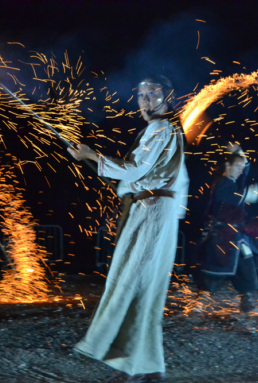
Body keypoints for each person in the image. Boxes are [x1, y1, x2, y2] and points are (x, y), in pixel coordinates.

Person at [68, 75, 189, 383]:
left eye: (153, 94)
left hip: (153, 213)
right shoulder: (166, 131)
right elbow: (141, 179)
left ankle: (121, 360)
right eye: (141, 94)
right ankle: (148, 366)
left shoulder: (162, 128)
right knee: (144, 289)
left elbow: (135, 169)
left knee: (132, 283)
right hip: (152, 212)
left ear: (168, 98)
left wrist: (91, 155)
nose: (145, 99)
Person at [196, 144, 258, 312]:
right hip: (223, 236)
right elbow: (239, 197)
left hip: (236, 236)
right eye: (236, 166)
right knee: (214, 270)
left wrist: (239, 152)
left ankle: (246, 301)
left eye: (240, 166)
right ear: (227, 167)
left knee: (245, 265)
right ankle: (199, 304)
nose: (240, 170)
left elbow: (244, 167)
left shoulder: (233, 180)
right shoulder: (222, 184)